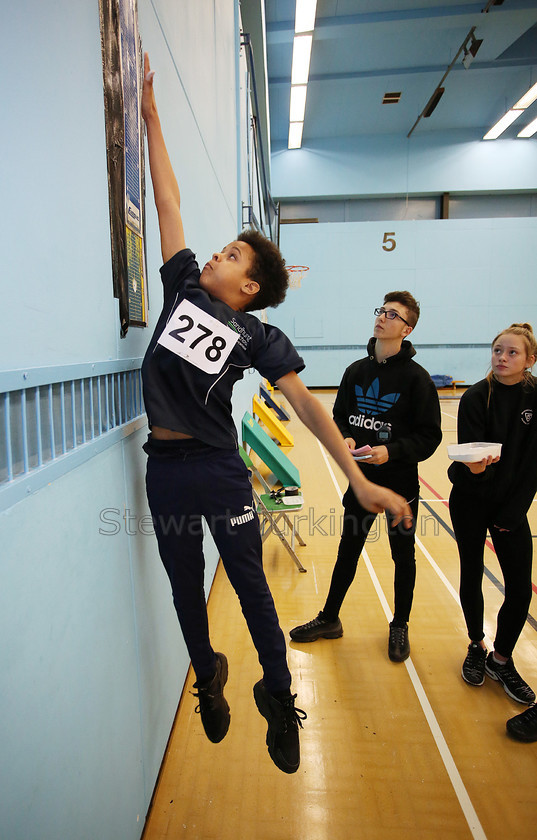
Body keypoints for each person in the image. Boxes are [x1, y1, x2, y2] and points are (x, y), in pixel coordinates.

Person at [140, 54, 412, 774]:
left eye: (229, 254)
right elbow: (167, 206)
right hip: (162, 469)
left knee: (252, 586)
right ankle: (209, 673)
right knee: (179, 581)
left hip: (218, 470)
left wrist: (355, 479)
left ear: (249, 285)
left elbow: (306, 407)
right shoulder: (180, 293)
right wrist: (149, 114)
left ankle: (277, 691)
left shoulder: (260, 337)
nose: (215, 255)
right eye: (220, 248)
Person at [290, 294, 442, 661]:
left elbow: (430, 436)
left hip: (399, 485)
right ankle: (329, 618)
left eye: (393, 315)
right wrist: (345, 436)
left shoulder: (418, 380)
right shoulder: (356, 371)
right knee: (348, 550)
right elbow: (340, 415)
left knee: (402, 556)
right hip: (360, 481)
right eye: (381, 311)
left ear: (406, 329)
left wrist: (392, 451)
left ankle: (400, 624)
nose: (382, 318)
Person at [448, 323, 537, 732]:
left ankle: (501, 659)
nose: (501, 357)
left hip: (511, 510)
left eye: (512, 352)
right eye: (497, 350)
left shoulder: (535, 399)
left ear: (529, 360)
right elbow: (468, 460)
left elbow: (532, 466)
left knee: (519, 589)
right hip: (470, 500)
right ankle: (475, 644)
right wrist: (478, 472)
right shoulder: (473, 397)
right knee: (471, 574)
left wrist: (512, 515)